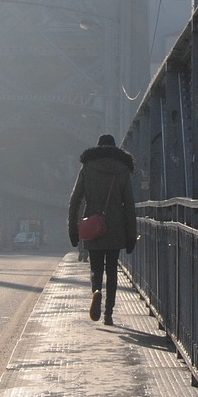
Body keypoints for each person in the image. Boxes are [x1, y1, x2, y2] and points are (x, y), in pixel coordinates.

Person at [67, 133, 136, 326]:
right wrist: (131, 234)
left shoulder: (87, 169)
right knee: (112, 270)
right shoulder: (122, 169)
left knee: (96, 268)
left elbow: (75, 201)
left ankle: (96, 291)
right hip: (116, 228)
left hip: (92, 226)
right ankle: (108, 313)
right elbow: (129, 205)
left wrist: (73, 229)